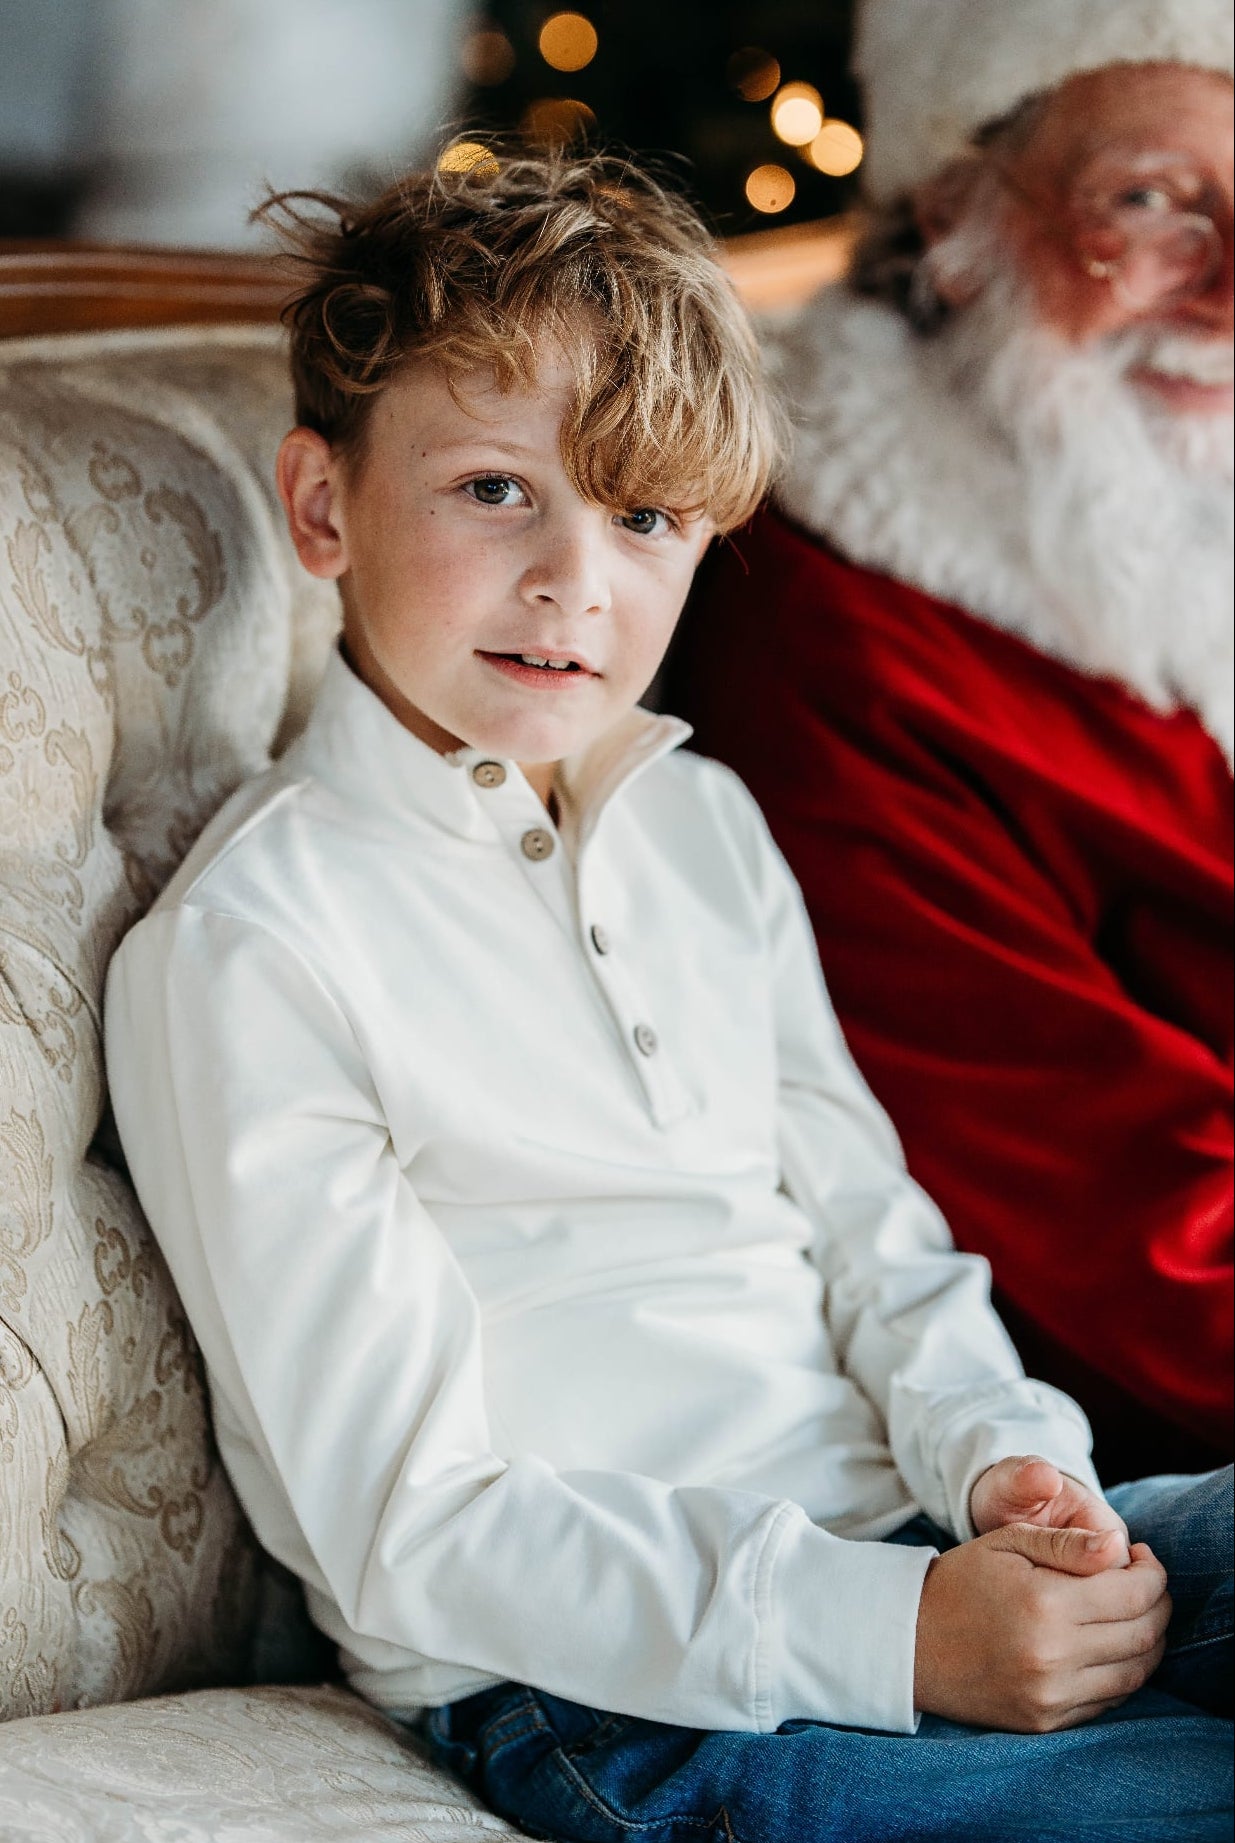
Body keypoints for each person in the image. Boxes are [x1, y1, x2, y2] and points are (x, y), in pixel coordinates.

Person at [104, 148, 1232, 1843]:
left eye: (643, 516)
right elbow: (411, 1526)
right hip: (619, 1690)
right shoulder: (255, 945)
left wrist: (1010, 1468)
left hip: (917, 1546)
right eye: (495, 490)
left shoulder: (700, 823)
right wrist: (895, 1635)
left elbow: (877, 1238)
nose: (579, 579)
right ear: (324, 505)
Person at [672, 0, 1234, 1486]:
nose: (1230, 291)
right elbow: (1133, 1243)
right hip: (1131, 1466)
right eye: (1155, 202)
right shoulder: (836, 639)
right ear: (956, 203)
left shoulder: (1187, 496)